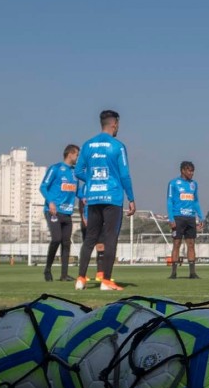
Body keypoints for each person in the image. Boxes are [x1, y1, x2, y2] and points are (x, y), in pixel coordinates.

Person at [74, 110, 136, 291]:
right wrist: (131, 198)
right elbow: (125, 175)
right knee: (110, 238)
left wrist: (93, 179)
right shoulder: (118, 146)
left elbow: (78, 171)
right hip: (112, 197)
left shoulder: (87, 145)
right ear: (114, 124)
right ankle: (106, 281)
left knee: (90, 239)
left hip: (93, 197)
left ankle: (80, 279)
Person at [39, 144, 79, 282]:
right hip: (53, 211)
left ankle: (64, 275)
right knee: (56, 239)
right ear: (71, 154)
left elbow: (76, 191)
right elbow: (43, 187)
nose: (78, 158)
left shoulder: (75, 172)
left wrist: (85, 197)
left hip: (67, 212)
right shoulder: (55, 168)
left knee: (66, 243)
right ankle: (47, 269)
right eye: (77, 155)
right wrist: (50, 202)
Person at [166, 161, 204, 279]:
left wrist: (201, 216)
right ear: (183, 170)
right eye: (189, 171)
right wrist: (171, 218)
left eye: (192, 171)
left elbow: (196, 201)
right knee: (176, 244)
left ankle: (192, 273)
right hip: (178, 217)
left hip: (190, 218)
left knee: (191, 244)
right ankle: (173, 273)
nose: (191, 173)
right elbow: (169, 201)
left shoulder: (194, 184)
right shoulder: (173, 183)